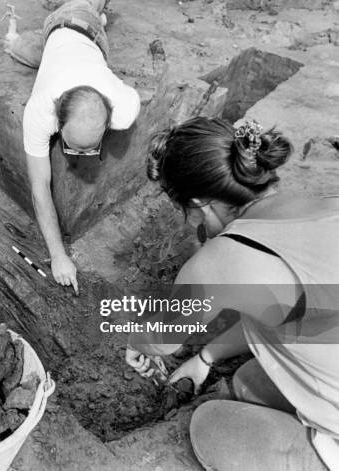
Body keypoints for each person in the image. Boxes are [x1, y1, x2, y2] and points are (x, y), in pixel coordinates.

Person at [125, 117, 339, 470]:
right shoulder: (325, 204)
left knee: (213, 427)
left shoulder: (225, 260)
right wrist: (206, 358)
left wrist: (135, 343)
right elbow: (289, 315)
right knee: (248, 381)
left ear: (199, 201)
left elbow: (161, 339)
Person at [21, 0, 141, 295]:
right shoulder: (39, 111)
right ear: (57, 123)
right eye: (73, 147)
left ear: (109, 121)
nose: (82, 158)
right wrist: (58, 256)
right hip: (61, 24)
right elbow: (39, 189)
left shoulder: (123, 109)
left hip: (94, 39)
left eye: (91, 148)